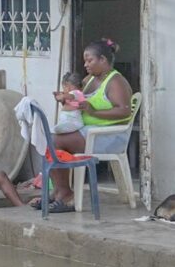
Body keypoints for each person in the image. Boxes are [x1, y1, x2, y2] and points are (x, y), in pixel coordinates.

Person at [30, 38, 134, 212]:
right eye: (85, 60)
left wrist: (93, 112)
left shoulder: (116, 82)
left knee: (55, 142)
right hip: (89, 132)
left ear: (103, 60)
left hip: (107, 136)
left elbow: (124, 112)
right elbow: (77, 97)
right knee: (51, 140)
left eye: (90, 60)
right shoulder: (90, 79)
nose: (85, 64)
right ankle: (57, 191)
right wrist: (66, 98)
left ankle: (66, 194)